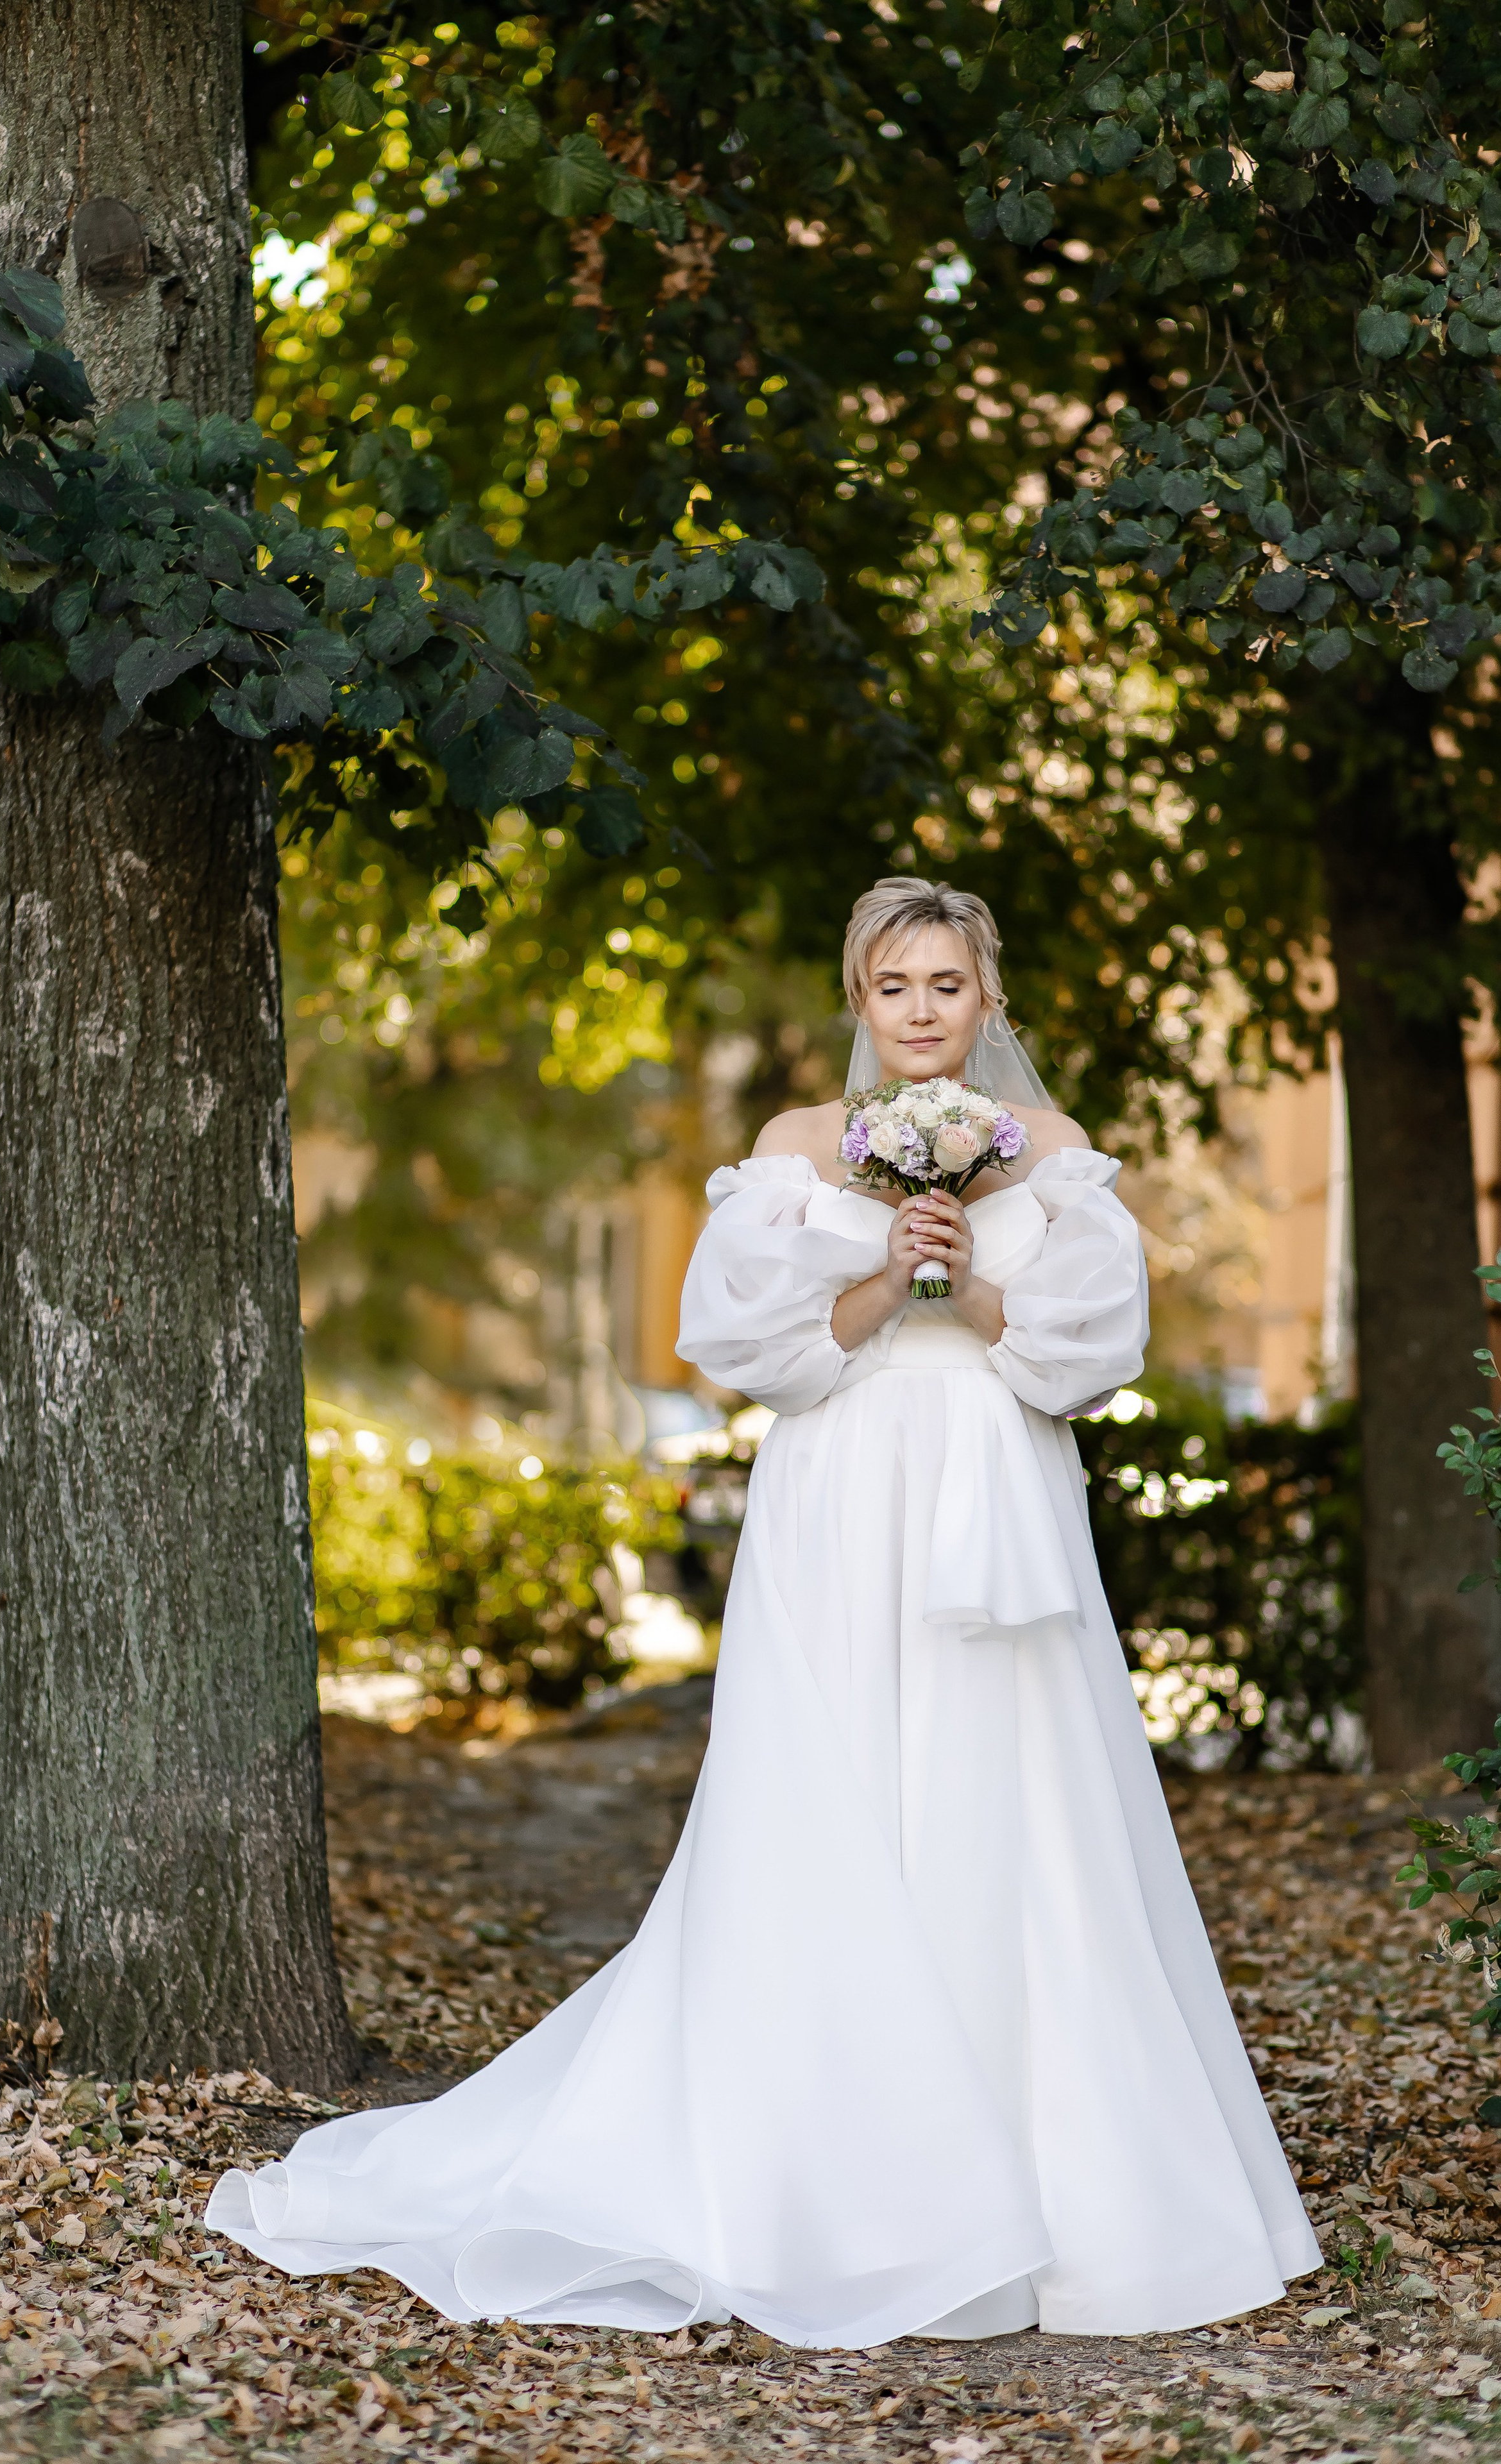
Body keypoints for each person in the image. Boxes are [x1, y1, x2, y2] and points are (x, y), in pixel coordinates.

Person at [206, 878, 1319, 2347]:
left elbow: (1080, 1357)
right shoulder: (797, 1149)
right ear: (856, 1000)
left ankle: (1053, 2185)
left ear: (988, 1002)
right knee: (831, 1789)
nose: (920, 1012)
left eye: (946, 986)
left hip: (995, 1480)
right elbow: (749, 1346)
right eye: (892, 986)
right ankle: (825, 2168)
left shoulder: (1047, 1152)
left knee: (1015, 1797)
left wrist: (972, 1269)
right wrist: (877, 1267)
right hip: (841, 1489)